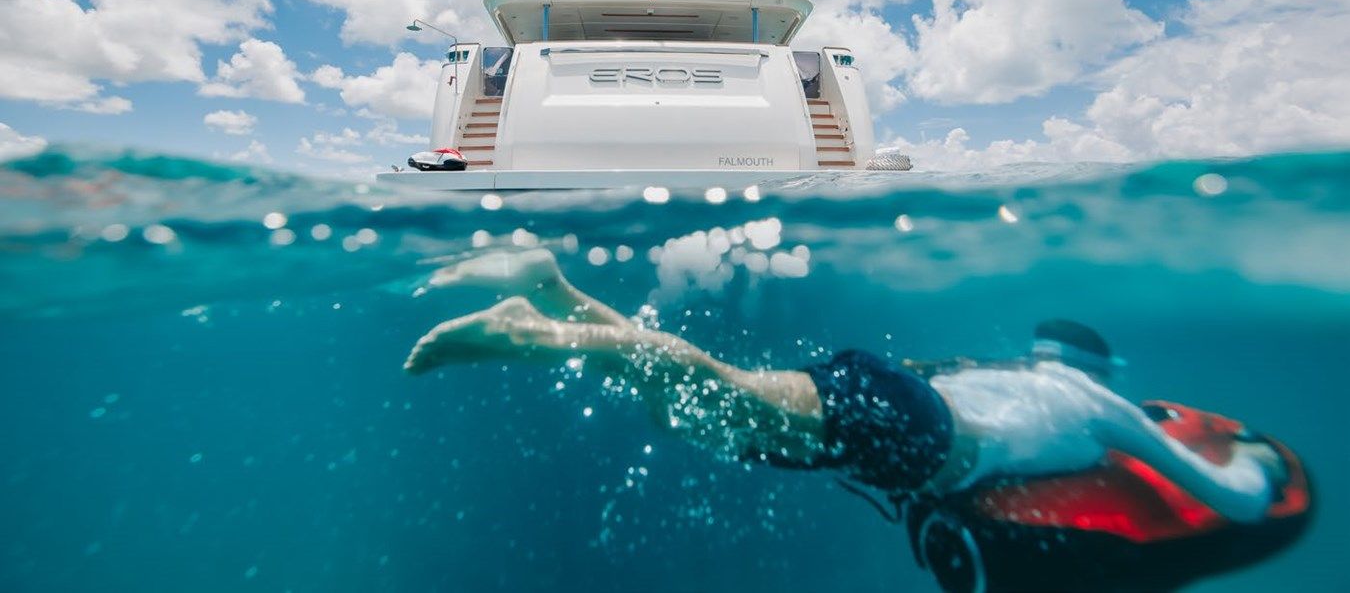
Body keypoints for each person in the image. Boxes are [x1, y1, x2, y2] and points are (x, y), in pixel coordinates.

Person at [403, 248, 1286, 530]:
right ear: (1097, 372)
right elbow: (1234, 500)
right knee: (715, 390)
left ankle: (553, 289)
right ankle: (533, 332)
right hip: (915, 431)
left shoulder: (1017, 377)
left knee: (685, 411)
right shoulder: (1102, 406)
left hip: (897, 399)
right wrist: (1262, 467)